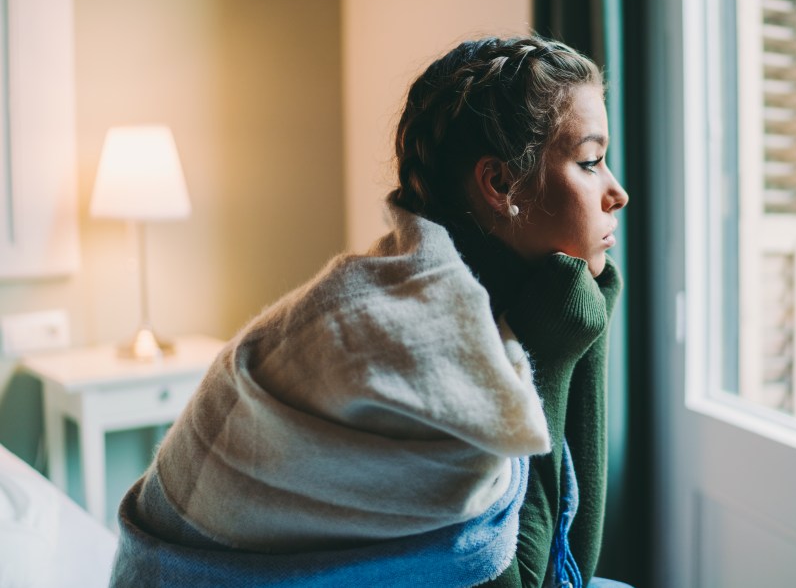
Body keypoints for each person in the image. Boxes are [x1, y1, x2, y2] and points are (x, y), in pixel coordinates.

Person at [109, 35, 630, 588]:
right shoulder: (410, 342)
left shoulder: (487, 292)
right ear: (501, 184)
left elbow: (572, 563)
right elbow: (535, 580)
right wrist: (556, 346)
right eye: (591, 161)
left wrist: (586, 313)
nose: (617, 192)